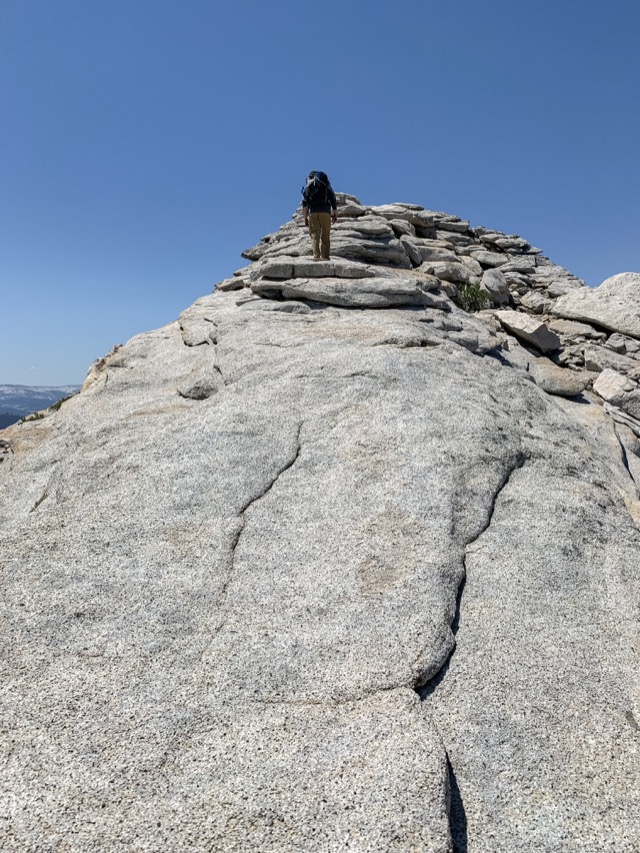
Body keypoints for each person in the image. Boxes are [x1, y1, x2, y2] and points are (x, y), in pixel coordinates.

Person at [301, 171, 338, 260]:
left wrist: (305, 218)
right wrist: (335, 214)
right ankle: (325, 257)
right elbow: (333, 199)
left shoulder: (309, 187)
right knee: (325, 235)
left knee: (314, 235)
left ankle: (316, 256)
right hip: (325, 212)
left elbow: (304, 204)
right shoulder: (326, 184)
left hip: (313, 212)